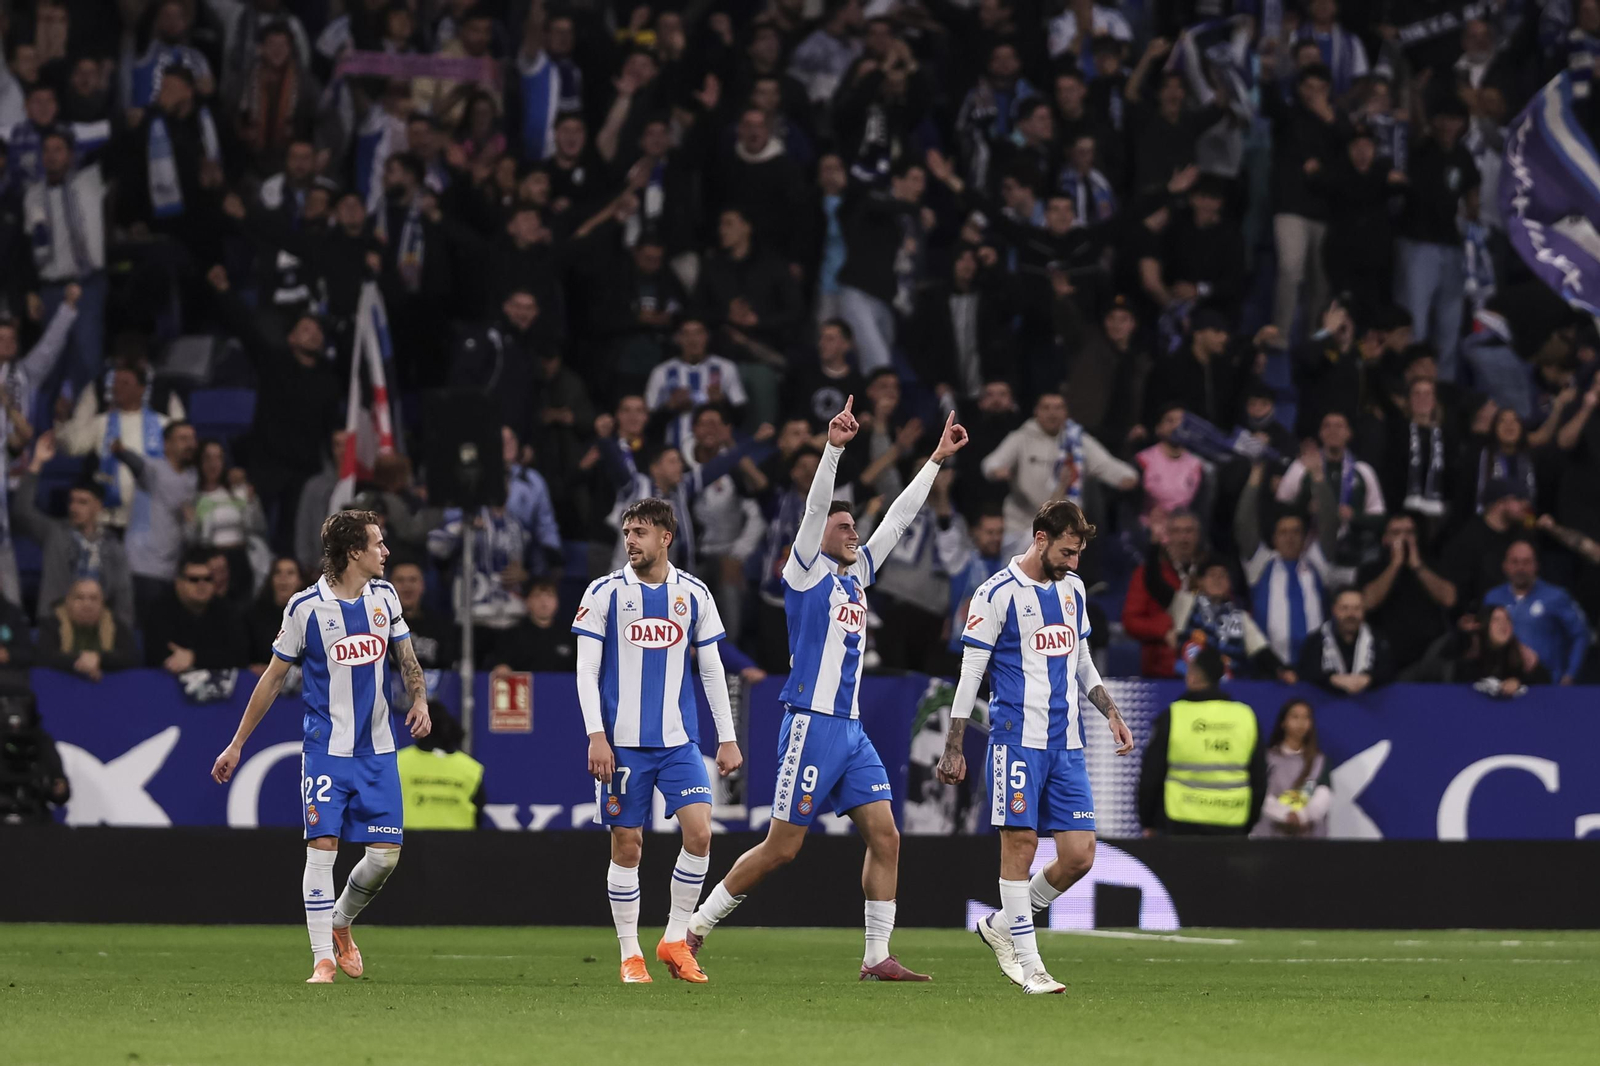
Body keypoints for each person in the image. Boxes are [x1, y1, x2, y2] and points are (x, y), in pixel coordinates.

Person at [687, 399, 968, 982]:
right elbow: (818, 506)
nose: (853, 532)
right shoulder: (804, 573)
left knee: (887, 836)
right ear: (816, 539)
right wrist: (834, 449)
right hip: (810, 724)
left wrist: (935, 461)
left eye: (852, 527)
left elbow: (897, 519)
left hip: (851, 730)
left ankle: (875, 955)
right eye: (843, 527)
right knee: (783, 848)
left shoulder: (857, 575)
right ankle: (693, 930)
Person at [210, 510, 433, 984]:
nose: (386, 552)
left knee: (385, 857)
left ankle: (340, 922)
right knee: (322, 848)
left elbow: (406, 657)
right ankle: (321, 961)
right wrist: (237, 745)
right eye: (378, 544)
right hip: (325, 750)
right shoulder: (304, 608)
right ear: (355, 552)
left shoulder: (385, 597)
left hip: (377, 751)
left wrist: (420, 700)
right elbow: (272, 680)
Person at [936, 499, 1134, 994]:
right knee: (1019, 847)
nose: (1073, 562)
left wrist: (1110, 711)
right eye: (1068, 551)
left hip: (1067, 743)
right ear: (1041, 539)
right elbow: (971, 674)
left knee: (1079, 855)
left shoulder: (1074, 589)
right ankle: (1031, 966)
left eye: (1079, 554)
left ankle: (1002, 926)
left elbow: (1081, 658)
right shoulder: (994, 593)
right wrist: (955, 744)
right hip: (1015, 742)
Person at [572, 498, 742, 985]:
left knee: (701, 834)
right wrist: (596, 736)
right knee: (628, 846)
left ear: (666, 538)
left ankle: (673, 939)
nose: (631, 540)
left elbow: (710, 667)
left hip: (678, 742)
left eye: (640, 532)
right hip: (621, 744)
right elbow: (585, 669)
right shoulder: (604, 592)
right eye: (627, 532)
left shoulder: (694, 592)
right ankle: (630, 955)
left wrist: (726, 738)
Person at [1137, 646, 1267, 836]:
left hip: (1179, 824)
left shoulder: (1174, 715)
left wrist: (1148, 821)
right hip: (1232, 824)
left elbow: (1151, 776)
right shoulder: (1245, 716)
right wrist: (1249, 822)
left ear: (1193, 675)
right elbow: (1259, 780)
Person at [12, 431, 135, 628]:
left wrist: (121, 634)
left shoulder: (113, 545)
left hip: (99, 628)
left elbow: (123, 597)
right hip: (56, 624)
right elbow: (21, 513)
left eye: (83, 502)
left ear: (98, 506)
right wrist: (37, 463)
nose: (74, 507)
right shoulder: (55, 532)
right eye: (72, 501)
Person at [1483, 542, 1590, 685]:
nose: (1520, 568)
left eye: (1526, 562)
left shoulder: (1556, 596)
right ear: (1505, 565)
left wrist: (1570, 674)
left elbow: (1580, 634)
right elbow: (1483, 639)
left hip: (1546, 684)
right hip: (1503, 683)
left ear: (1536, 565)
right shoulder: (1493, 598)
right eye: (1515, 562)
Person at [142, 547, 251, 672]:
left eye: (208, 579)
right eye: (194, 579)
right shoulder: (160, 610)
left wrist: (194, 658)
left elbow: (240, 656)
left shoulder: (226, 610)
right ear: (179, 583)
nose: (202, 584)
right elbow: (156, 657)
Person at [1250, 699, 1331, 839]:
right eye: (1295, 717)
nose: (1301, 723)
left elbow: (1323, 794)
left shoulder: (1319, 760)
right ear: (1283, 723)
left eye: (1306, 717)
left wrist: (1302, 816)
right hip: (1269, 836)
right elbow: (1260, 793)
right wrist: (1284, 815)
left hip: (1308, 838)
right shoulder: (1267, 758)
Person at [394, 705, 485, 830]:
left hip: (408, 843)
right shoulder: (471, 768)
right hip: (460, 844)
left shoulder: (398, 762)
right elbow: (479, 814)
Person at [1295, 587, 1395, 695]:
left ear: (1364, 611)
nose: (1351, 614)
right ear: (1334, 610)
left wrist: (1369, 678)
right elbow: (1306, 672)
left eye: (1357, 608)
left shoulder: (1378, 640)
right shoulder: (1316, 640)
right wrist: (1331, 679)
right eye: (1344, 608)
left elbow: (1389, 671)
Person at [38, 578, 137, 680]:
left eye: (93, 598)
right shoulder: (53, 623)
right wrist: (80, 661)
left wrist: (99, 659)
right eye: (79, 598)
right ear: (68, 601)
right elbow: (44, 656)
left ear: (102, 603)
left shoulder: (115, 624)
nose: (87, 605)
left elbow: (132, 657)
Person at [487, 578, 577, 673]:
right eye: (537, 596)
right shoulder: (512, 635)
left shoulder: (569, 636)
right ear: (527, 601)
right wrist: (501, 667)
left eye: (550, 596)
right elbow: (499, 664)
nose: (544, 601)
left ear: (557, 602)